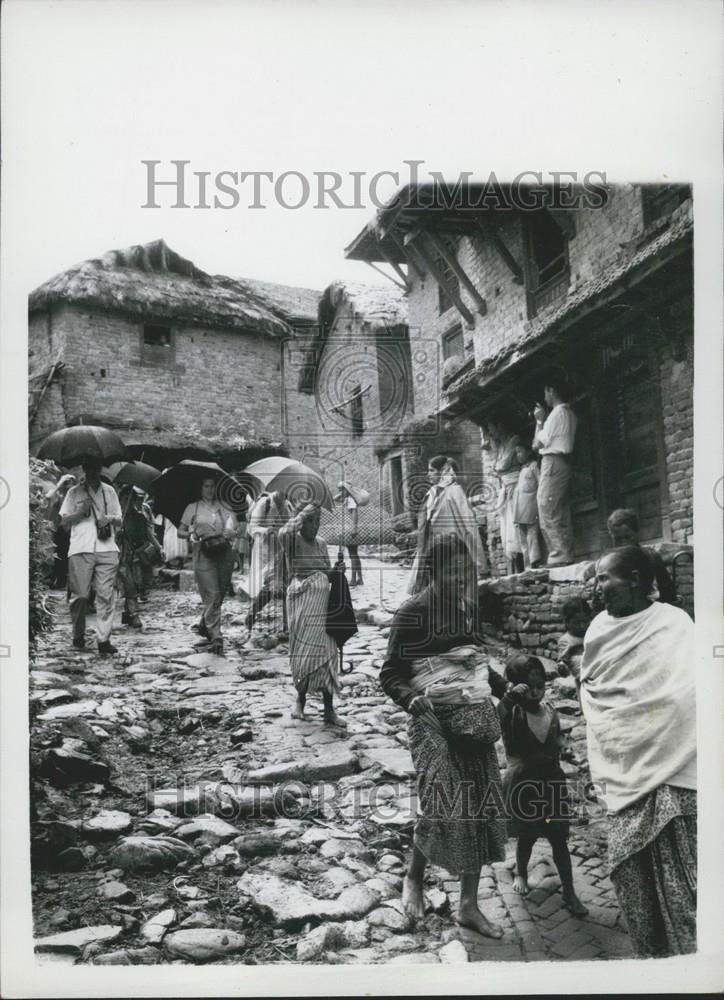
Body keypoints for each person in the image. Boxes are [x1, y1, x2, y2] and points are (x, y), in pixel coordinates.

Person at [382, 534, 509, 938]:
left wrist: (506, 689)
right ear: (434, 572)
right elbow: (390, 674)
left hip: (473, 718)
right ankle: (414, 876)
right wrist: (411, 699)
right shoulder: (412, 613)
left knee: (477, 802)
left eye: (465, 572)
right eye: (454, 572)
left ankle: (469, 905)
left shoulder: (466, 610)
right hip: (432, 719)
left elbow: (477, 663)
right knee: (440, 799)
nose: (461, 579)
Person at [580, 546, 697, 957]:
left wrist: (658, 728)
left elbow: (687, 694)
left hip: (675, 770)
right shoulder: (597, 629)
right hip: (623, 773)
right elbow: (595, 697)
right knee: (632, 877)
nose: (596, 587)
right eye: (595, 578)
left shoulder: (673, 624)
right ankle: (652, 963)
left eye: (604, 578)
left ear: (633, 579)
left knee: (684, 883)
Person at [498, 653, 588, 917]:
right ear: (516, 689)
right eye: (529, 689)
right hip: (525, 784)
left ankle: (569, 892)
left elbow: (556, 738)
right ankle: (522, 872)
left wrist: (562, 748)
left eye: (540, 687)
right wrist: (510, 697)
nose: (536, 693)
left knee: (558, 836)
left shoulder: (549, 710)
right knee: (526, 834)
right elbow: (498, 718)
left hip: (551, 782)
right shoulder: (512, 712)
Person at [278, 503, 346, 727]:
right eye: (310, 521)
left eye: (318, 521)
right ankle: (300, 700)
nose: (315, 526)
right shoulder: (293, 541)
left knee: (328, 653)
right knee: (302, 653)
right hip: (301, 603)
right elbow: (282, 532)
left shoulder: (321, 544)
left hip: (322, 605)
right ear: (301, 522)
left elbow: (327, 572)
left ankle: (329, 709)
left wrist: (337, 571)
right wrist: (300, 516)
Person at [59, 458, 123, 654]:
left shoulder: (109, 491)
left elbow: (119, 520)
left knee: (105, 595)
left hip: (107, 548)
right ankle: (78, 634)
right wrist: (80, 512)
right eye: (89, 467)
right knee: (81, 596)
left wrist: (108, 519)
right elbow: (64, 524)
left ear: (100, 468)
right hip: (80, 548)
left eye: (96, 467)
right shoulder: (73, 492)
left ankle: (103, 640)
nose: (92, 471)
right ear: (84, 468)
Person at [407, 456, 488, 600]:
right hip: (433, 549)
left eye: (432, 470)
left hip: (452, 549)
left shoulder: (454, 491)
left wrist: (479, 560)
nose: (428, 474)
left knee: (455, 591)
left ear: (442, 471)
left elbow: (468, 524)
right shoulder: (432, 493)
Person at [177, 477, 238, 656]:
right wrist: (190, 534)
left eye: (212, 486)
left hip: (224, 553)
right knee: (212, 593)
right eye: (206, 486)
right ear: (201, 488)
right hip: (203, 553)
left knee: (221, 590)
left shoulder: (225, 506)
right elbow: (180, 530)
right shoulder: (192, 508)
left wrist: (233, 532)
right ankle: (216, 635)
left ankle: (205, 623)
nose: (210, 490)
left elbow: (238, 529)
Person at [532, 373, 578, 566]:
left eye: (545, 392)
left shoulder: (555, 415)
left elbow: (536, 444)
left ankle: (559, 553)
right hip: (564, 462)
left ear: (551, 390)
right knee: (561, 509)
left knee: (545, 506)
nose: (544, 397)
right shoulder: (571, 414)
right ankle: (566, 552)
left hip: (552, 462)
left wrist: (539, 421)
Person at [606, 508, 677, 604]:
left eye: (628, 537)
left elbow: (668, 594)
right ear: (611, 537)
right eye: (618, 539)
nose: (624, 543)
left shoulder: (651, 557)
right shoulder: (609, 564)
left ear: (636, 533)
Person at [245, 490, 292, 632]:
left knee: (285, 585)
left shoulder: (287, 505)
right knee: (268, 587)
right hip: (264, 551)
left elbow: (291, 524)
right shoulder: (263, 504)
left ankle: (286, 625)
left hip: (281, 550)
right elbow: (252, 528)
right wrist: (266, 530)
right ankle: (252, 615)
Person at [117, 486, 161, 628]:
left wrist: (159, 548)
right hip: (121, 555)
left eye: (131, 500)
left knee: (135, 584)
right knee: (127, 584)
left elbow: (148, 535)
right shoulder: (117, 518)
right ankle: (133, 614)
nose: (127, 503)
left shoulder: (139, 517)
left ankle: (130, 613)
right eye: (125, 500)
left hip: (137, 554)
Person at [491, 427, 524, 574]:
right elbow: (496, 468)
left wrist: (499, 469)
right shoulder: (500, 445)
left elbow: (501, 465)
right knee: (507, 529)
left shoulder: (514, 439)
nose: (491, 434)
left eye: (492, 429)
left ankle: (523, 565)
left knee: (515, 526)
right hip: (506, 489)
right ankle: (515, 567)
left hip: (516, 487)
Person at [512, 441, 543, 569]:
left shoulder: (534, 466)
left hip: (531, 505)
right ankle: (527, 564)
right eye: (516, 453)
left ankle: (535, 560)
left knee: (532, 534)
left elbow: (541, 482)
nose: (518, 455)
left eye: (520, 452)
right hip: (520, 506)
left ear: (528, 452)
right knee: (523, 537)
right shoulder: (522, 469)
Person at [45, 473, 76, 589]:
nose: (68, 486)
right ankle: (58, 580)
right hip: (60, 530)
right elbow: (48, 496)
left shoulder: (75, 496)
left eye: (70, 484)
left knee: (70, 556)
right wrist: (59, 485)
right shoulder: (59, 495)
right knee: (59, 555)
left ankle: (65, 581)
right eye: (66, 484)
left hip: (73, 530)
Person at [555, 595, 592, 690]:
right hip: (580, 676)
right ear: (567, 622)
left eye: (585, 621)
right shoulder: (566, 640)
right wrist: (562, 667)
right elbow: (563, 662)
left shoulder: (592, 632)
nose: (582, 626)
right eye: (576, 623)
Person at [334, 482, 365, 587]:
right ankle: (360, 579)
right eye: (339, 490)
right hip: (352, 529)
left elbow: (354, 513)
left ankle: (353, 579)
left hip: (352, 530)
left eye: (342, 490)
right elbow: (335, 499)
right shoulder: (348, 499)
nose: (340, 492)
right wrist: (343, 492)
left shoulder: (351, 500)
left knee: (353, 555)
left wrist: (354, 529)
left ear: (347, 490)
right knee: (355, 554)